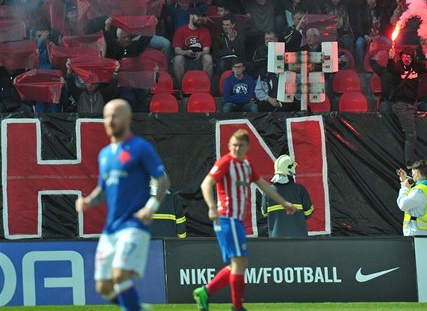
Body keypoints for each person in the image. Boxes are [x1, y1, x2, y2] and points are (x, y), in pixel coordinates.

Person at [75, 99, 170, 311]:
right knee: (103, 287)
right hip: (111, 228)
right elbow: (104, 189)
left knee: (120, 274)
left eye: (115, 115)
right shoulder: (105, 154)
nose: (110, 120)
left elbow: (162, 179)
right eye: (106, 116)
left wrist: (151, 207)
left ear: (127, 119)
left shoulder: (140, 148)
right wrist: (88, 201)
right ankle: (138, 308)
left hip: (134, 225)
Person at [193, 129, 297, 311]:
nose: (236, 148)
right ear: (229, 146)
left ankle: (205, 291)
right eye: (233, 145)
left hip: (236, 221)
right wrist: (211, 206)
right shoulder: (225, 162)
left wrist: (284, 203)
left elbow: (264, 185)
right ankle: (237, 307)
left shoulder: (247, 164)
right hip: (226, 218)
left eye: (240, 145)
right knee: (239, 263)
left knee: (240, 264)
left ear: (247, 147)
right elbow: (206, 184)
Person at [387, 45, 427, 168]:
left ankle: (411, 160)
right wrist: (390, 59)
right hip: (402, 105)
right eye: (404, 56)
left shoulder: (417, 66)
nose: (406, 59)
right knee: (411, 134)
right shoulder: (397, 67)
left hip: (412, 105)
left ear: (412, 58)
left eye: (408, 57)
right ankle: (409, 163)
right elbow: (391, 69)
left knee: (411, 134)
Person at [261, 155, 314, 237]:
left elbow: (264, 214)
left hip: (277, 242)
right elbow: (308, 213)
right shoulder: (300, 190)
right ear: (290, 171)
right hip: (299, 241)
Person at [172, 8, 213, 90]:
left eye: (201, 16)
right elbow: (177, 50)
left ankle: (205, 87)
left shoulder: (205, 31)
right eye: (198, 16)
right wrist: (186, 52)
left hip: (200, 58)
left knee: (208, 58)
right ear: (190, 16)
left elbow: (207, 49)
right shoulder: (180, 31)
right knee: (177, 59)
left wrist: (200, 53)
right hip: (186, 59)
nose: (200, 18)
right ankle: (182, 89)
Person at [395, 159, 427, 236]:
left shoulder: (419, 191)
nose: (412, 177)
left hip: (414, 232)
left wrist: (404, 187)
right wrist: (404, 181)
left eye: (413, 174)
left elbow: (402, 205)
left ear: (417, 173)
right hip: (424, 232)